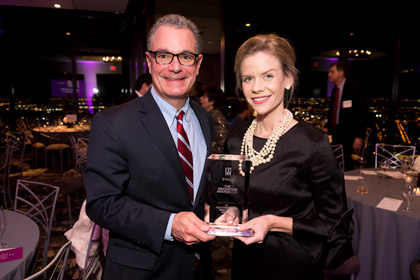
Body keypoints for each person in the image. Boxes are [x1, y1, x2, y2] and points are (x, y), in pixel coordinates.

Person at [84, 14, 216, 280]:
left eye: (186, 56)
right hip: (142, 271)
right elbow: (102, 203)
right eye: (164, 55)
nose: (175, 67)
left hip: (198, 268)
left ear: (198, 63)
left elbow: (190, 189)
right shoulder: (112, 123)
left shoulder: (205, 120)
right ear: (149, 60)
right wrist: (169, 224)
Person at [219, 34, 353, 279]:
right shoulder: (236, 139)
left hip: (291, 265)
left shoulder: (311, 143)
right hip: (243, 263)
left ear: (288, 79)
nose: (257, 87)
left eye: (268, 75)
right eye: (248, 78)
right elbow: (237, 197)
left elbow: (336, 226)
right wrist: (232, 212)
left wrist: (273, 222)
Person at [326, 61, 367, 171]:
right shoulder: (335, 91)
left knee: (347, 163)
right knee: (336, 161)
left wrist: (359, 136)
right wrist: (328, 127)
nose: (329, 74)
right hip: (336, 132)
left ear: (341, 72)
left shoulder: (355, 88)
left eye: (332, 71)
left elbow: (362, 114)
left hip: (350, 134)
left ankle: (349, 185)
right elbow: (333, 112)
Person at [199, 86, 229, 153]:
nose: (200, 99)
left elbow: (221, 144)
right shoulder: (208, 115)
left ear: (212, 101)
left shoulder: (217, 117)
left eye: (204, 97)